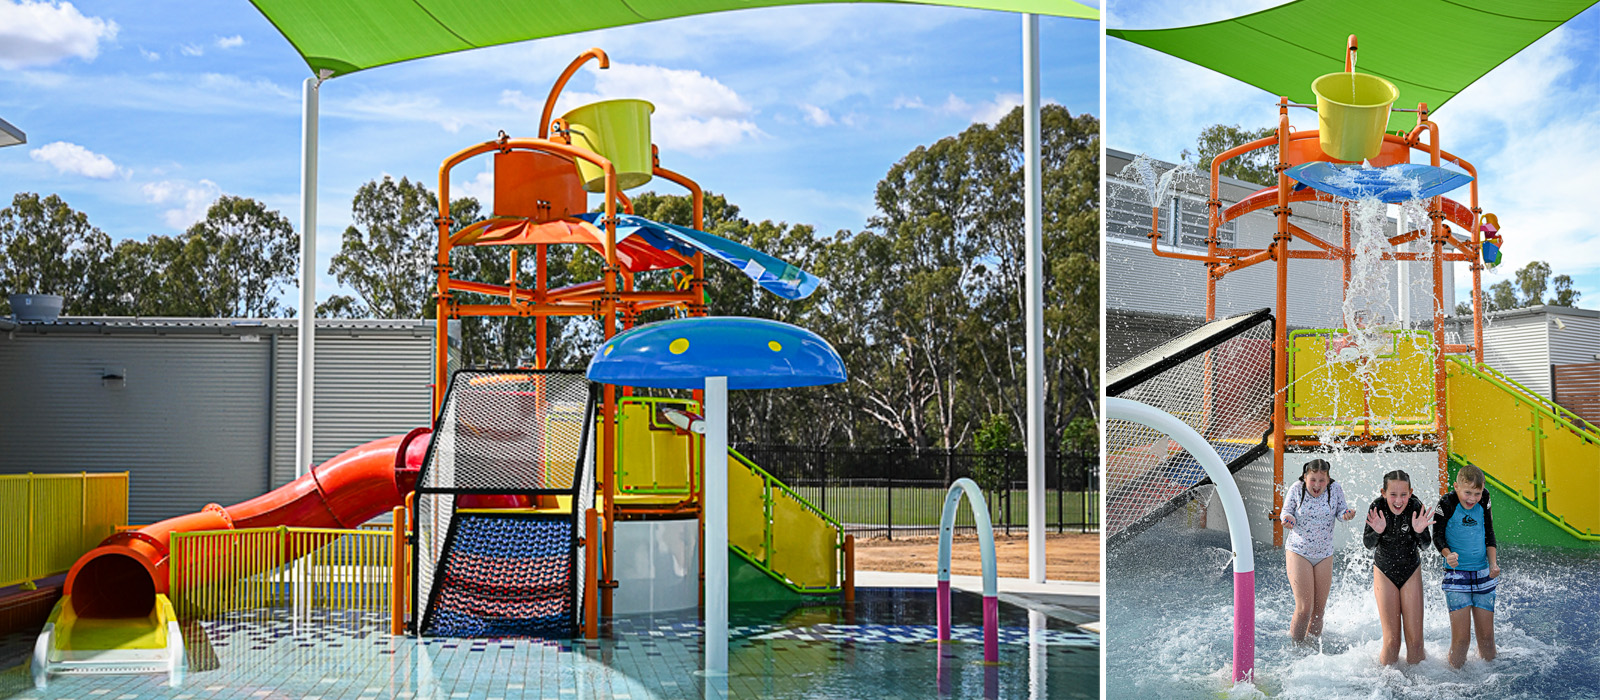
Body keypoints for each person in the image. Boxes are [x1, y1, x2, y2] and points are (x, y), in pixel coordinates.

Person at [1279, 458, 1355, 643]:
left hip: (1323, 555)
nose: (1317, 485)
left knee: (1319, 611)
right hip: (1299, 552)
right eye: (1313, 479)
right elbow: (1286, 511)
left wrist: (1346, 515)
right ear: (1305, 477)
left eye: (1322, 480)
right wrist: (1287, 519)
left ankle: (1312, 649)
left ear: (1328, 480)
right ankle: (1296, 648)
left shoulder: (1334, 489)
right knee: (1305, 608)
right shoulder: (1297, 489)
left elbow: (1340, 511)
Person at [1363, 469, 1435, 665]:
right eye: (1393, 494)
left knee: (1416, 643)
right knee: (1392, 642)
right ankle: (1384, 687)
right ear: (1383, 492)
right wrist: (1377, 532)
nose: (1398, 500)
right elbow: (1368, 545)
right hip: (1384, 571)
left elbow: (1425, 545)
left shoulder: (1415, 506)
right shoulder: (1377, 507)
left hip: (1410, 570)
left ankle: (1418, 689)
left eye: (1403, 495)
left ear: (1410, 492)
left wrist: (1420, 531)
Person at [1433, 463, 1499, 668]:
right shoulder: (1447, 502)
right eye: (1467, 492)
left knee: (1487, 639)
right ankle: (1453, 678)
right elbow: (1437, 535)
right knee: (1462, 640)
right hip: (1456, 576)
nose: (1472, 498)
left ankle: (1491, 678)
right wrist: (1447, 554)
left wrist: (1493, 564)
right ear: (1456, 487)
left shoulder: (1485, 498)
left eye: (1476, 493)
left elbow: (1489, 532)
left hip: (1482, 574)